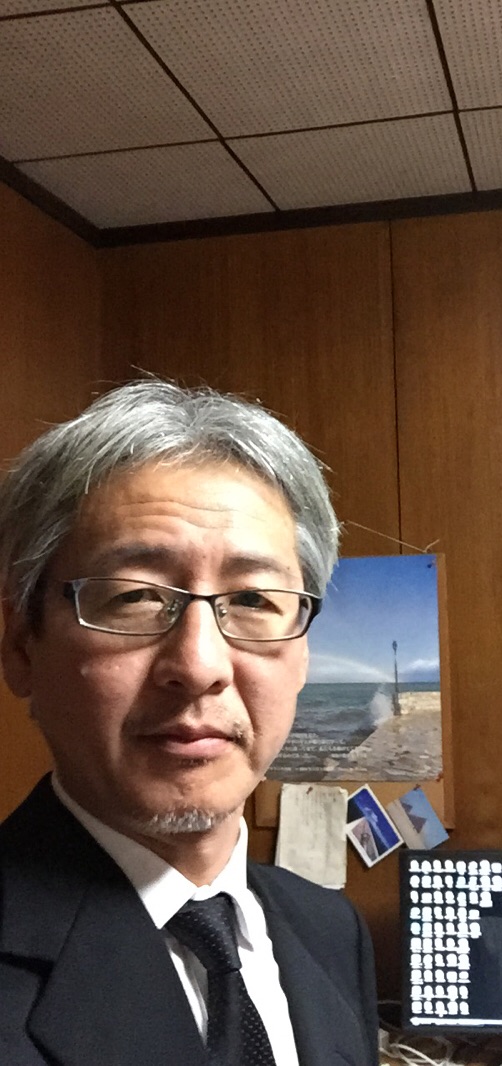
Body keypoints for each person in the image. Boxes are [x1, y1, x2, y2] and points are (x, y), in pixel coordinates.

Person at [0, 379, 379, 1066]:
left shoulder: (330, 930)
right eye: (135, 596)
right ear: (22, 644)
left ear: (302, 655)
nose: (200, 665)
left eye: (254, 600)